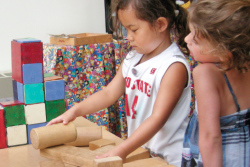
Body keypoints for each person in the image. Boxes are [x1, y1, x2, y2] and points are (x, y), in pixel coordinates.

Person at [48, 0, 191, 166]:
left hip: (168, 159)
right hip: (142, 152)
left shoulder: (173, 67)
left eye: (134, 29)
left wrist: (122, 149)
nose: (128, 36)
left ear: (160, 24)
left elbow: (158, 118)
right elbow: (109, 93)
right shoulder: (133, 57)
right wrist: (74, 111)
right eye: (126, 29)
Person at [182, 0, 250, 166]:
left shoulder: (205, 74)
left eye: (196, 40)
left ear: (224, 52)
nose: (186, 39)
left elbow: (210, 137)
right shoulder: (246, 65)